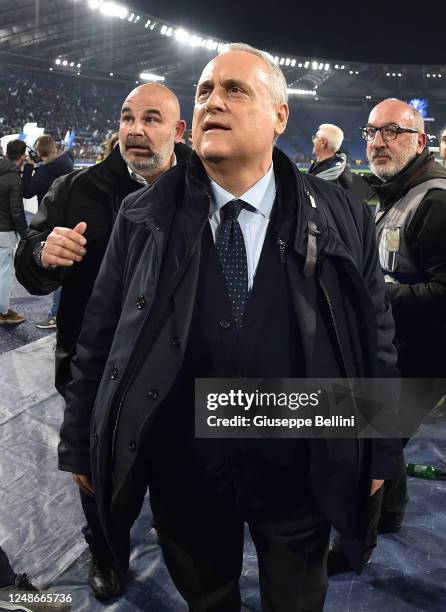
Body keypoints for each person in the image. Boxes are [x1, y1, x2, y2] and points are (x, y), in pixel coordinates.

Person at [58, 44, 400, 611]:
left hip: (300, 465)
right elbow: (99, 337)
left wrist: (381, 452)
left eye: (235, 90)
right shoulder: (142, 216)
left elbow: (376, 343)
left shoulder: (344, 216)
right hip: (185, 471)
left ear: (280, 116)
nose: (214, 101)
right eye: (205, 91)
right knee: (207, 598)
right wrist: (79, 445)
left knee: (296, 600)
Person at [15, 83, 188, 600]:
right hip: (94, 371)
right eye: (127, 117)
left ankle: (175, 532)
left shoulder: (206, 191)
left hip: (178, 374)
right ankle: (106, 550)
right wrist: (44, 253)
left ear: (178, 131)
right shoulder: (75, 190)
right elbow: (30, 270)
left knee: (177, 471)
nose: (136, 129)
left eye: (152, 119)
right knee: (99, 480)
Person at [331, 98, 446, 574]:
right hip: (398, 349)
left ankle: (354, 549)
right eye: (372, 132)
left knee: (366, 443)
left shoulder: (436, 201)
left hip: (425, 358)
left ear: (419, 141)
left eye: (392, 132)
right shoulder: (399, 190)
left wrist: (376, 293)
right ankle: (392, 515)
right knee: (384, 439)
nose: (378, 141)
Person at [21, 135, 75, 330]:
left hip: (54, 222)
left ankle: (55, 315)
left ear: (39, 152)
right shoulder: (66, 160)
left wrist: (28, 167)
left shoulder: (46, 171)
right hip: (69, 218)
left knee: (58, 269)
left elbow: (26, 191)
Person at [0, 140, 27, 325]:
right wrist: (26, 235)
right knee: (4, 272)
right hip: (4, 232)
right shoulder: (14, 178)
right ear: (22, 156)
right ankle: (2, 311)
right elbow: (16, 211)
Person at [309, 123, 374, 200]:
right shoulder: (332, 166)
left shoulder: (334, 177)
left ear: (323, 142)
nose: (313, 140)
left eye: (315, 137)